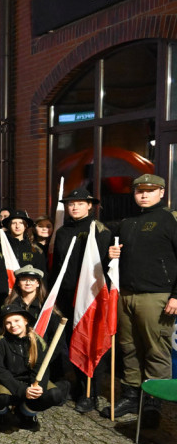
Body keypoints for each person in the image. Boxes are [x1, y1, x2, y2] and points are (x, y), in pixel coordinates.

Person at [102, 173, 177, 425]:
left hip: (156, 295)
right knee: (129, 347)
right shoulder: (128, 222)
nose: (143, 195)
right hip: (126, 294)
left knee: (156, 349)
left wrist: (176, 296)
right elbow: (118, 258)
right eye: (138, 191)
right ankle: (132, 394)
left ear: (162, 193)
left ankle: (153, 403)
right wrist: (110, 254)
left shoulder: (170, 220)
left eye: (150, 190)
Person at [50, 188, 112, 413]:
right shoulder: (63, 231)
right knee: (72, 342)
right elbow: (57, 265)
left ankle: (91, 392)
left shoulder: (100, 230)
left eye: (79, 203)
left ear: (89, 206)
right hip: (65, 296)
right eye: (70, 203)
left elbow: (105, 267)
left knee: (90, 342)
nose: (74, 207)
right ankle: (79, 386)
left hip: (90, 297)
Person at [0, 303, 70, 430]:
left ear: (25, 320)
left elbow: (41, 367)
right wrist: (22, 390)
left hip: (31, 381)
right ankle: (0, 415)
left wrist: (37, 388)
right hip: (7, 382)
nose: (13, 325)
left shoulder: (37, 341)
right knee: (0, 397)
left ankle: (26, 413)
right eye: (8, 322)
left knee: (55, 395)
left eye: (16, 320)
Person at [3, 209, 47, 274]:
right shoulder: (1, 246)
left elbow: (41, 273)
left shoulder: (35, 250)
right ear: (9, 226)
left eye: (21, 223)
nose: (17, 226)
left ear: (26, 226)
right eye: (14, 223)